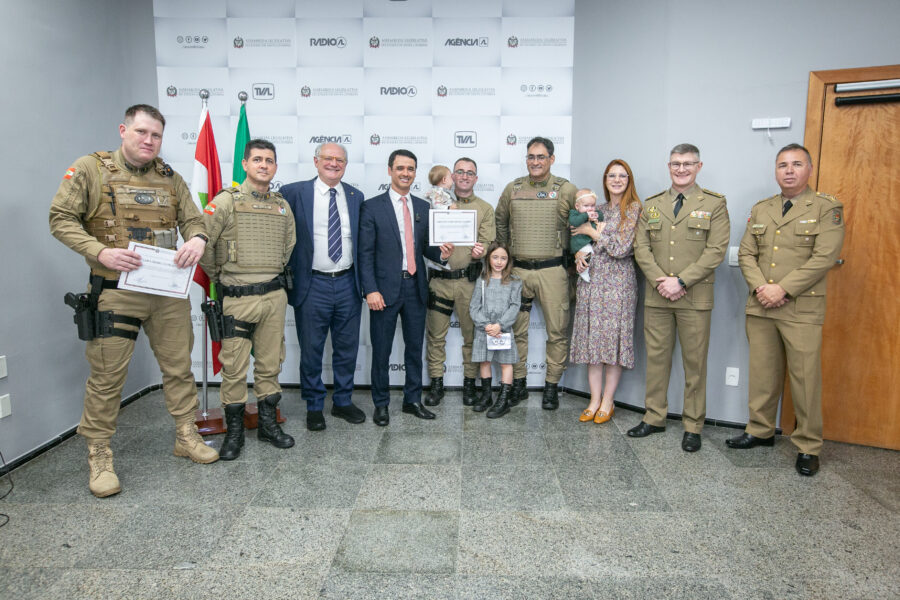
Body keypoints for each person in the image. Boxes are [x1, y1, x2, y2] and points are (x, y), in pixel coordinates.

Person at [49, 104, 218, 497]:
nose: (149, 141)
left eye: (156, 135)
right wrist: (98, 251)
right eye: (142, 132)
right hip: (116, 291)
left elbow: (194, 220)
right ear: (124, 129)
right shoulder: (90, 169)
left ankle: (185, 435)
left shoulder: (170, 177)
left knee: (178, 368)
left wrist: (197, 238)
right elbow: (60, 218)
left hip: (166, 292)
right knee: (108, 376)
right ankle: (99, 453)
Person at [727, 144, 844, 477]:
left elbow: (824, 257)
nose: (789, 170)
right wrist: (763, 288)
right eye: (782, 165)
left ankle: (808, 446)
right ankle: (761, 430)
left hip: (801, 307)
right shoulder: (762, 209)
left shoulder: (826, 207)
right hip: (761, 305)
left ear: (809, 168)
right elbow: (747, 253)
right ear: (775, 171)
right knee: (762, 372)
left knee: (805, 379)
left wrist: (783, 289)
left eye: (796, 164)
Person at [199, 139, 296, 460]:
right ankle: (235, 433)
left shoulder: (282, 205)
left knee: (270, 365)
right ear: (245, 164)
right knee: (234, 369)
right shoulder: (225, 202)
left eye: (269, 160)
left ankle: (268, 425)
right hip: (237, 298)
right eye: (257, 159)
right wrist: (225, 280)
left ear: (275, 167)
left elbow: (288, 246)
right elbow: (204, 249)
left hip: (274, 296)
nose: (264, 165)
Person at [631, 143, 730, 452]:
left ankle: (693, 425)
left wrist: (682, 281)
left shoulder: (714, 203)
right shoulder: (652, 204)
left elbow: (716, 250)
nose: (682, 169)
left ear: (698, 166)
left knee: (694, 364)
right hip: (658, 296)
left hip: (694, 297)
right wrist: (663, 281)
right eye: (676, 163)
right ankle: (654, 416)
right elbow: (641, 248)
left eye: (688, 163)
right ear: (669, 166)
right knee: (657, 361)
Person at [358, 149, 453, 426]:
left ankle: (412, 400)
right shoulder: (372, 207)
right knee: (382, 350)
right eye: (400, 168)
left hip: (416, 287)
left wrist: (443, 254)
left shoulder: (423, 207)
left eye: (410, 169)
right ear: (390, 170)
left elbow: (426, 249)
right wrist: (370, 290)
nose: (405, 173)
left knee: (414, 348)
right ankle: (381, 404)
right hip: (383, 291)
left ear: (415, 172)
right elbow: (365, 253)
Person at [282, 142, 366, 432]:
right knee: (312, 349)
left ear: (345, 165)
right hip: (312, 283)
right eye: (328, 158)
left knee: (346, 349)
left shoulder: (356, 196)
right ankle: (314, 405)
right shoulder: (294, 193)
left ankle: (342, 401)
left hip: (347, 282)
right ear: (316, 161)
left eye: (339, 160)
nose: (334, 163)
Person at [495, 136, 578, 410]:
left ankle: (551, 386)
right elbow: (501, 225)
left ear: (552, 159)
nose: (535, 162)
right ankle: (518, 384)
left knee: (557, 332)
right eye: (531, 156)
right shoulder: (513, 189)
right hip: (518, 271)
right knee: (515, 330)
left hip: (553, 271)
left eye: (541, 157)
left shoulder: (566, 190)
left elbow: (578, 229)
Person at [570, 160, 642, 425]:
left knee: (613, 345)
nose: (617, 179)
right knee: (593, 345)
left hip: (618, 285)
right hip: (591, 282)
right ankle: (593, 399)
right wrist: (578, 256)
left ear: (629, 180)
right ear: (605, 179)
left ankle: (608, 401)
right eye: (612, 175)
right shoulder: (595, 209)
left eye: (622, 175)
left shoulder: (633, 209)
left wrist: (593, 233)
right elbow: (579, 239)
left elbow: (622, 248)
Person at [424, 157, 495, 407]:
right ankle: (436, 384)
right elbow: (422, 238)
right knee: (435, 336)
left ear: (476, 178)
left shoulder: (485, 208)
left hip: (469, 282)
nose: (465, 176)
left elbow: (487, 242)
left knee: (472, 337)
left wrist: (481, 251)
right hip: (439, 281)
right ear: (452, 176)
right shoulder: (433, 202)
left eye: (470, 173)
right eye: (460, 172)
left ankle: (469, 384)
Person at [468, 242, 522, 418]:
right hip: (485, 329)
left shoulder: (514, 281)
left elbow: (514, 306)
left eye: (503, 258)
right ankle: (486, 396)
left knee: (506, 363)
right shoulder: (482, 280)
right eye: (495, 257)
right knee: (485, 361)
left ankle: (503, 400)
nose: (499, 262)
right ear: (488, 258)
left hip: (503, 329)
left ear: (509, 260)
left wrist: (500, 325)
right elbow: (474, 307)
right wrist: (486, 326)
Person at [568, 189, 602, 283]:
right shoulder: (574, 214)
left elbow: (601, 216)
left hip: (590, 241)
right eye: (586, 206)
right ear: (577, 206)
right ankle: (583, 273)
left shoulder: (593, 212)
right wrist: (586, 216)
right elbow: (574, 222)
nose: (590, 209)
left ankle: (584, 270)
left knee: (591, 254)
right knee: (588, 253)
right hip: (580, 243)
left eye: (592, 205)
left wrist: (595, 215)